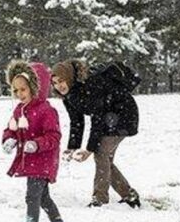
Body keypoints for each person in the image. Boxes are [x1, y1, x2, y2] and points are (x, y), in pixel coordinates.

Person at [51, 60, 141, 208]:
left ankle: (100, 199)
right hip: (109, 118)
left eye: (61, 81)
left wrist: (89, 149)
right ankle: (129, 195)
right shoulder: (69, 96)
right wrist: (72, 147)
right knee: (104, 159)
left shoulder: (90, 85)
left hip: (123, 115)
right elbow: (76, 122)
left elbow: (97, 119)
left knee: (100, 154)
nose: (59, 86)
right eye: (55, 83)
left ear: (69, 78)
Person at [2, 60, 68, 222]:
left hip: (43, 159)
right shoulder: (19, 110)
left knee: (32, 196)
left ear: (34, 87)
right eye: (15, 90)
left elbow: (54, 136)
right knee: (43, 198)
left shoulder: (47, 111)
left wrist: (37, 144)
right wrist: (9, 138)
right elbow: (11, 128)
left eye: (23, 89)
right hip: (29, 159)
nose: (19, 94)